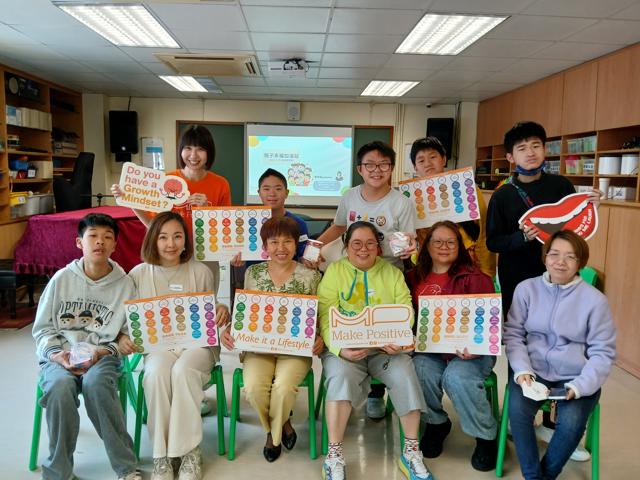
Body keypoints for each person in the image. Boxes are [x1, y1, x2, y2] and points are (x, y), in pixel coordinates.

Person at [485, 121, 601, 458]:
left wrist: (591, 204)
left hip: (560, 281)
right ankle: (520, 416)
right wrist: (523, 236)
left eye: (536, 145)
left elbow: (576, 227)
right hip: (519, 283)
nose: (530, 153)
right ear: (510, 157)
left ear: (544, 150)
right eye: (522, 148)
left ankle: (553, 424)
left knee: (561, 344)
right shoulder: (503, 195)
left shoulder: (561, 185)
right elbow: (493, 241)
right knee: (521, 343)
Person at [118, 212, 230, 480]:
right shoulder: (138, 274)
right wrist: (122, 336)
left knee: (183, 371)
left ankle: (189, 451)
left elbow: (208, 308)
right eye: (163, 237)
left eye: (177, 236)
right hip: (159, 347)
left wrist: (220, 308)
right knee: (156, 374)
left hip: (197, 346)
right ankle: (162, 455)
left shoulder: (200, 271)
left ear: (186, 240)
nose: (171, 244)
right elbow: (128, 318)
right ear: (153, 240)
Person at [312, 140, 418, 419]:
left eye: (383, 164)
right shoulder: (350, 196)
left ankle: (376, 393)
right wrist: (314, 247)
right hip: (352, 273)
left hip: (387, 275)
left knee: (381, 333)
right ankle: (353, 388)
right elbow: (339, 227)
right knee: (355, 326)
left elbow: (410, 238)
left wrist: (410, 248)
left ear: (391, 168)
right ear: (360, 169)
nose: (376, 170)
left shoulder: (401, 202)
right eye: (370, 164)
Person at [318, 221, 431, 480]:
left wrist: (398, 336)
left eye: (370, 243)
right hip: (347, 350)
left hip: (385, 351)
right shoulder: (335, 271)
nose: (363, 249)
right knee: (339, 376)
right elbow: (325, 315)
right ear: (346, 246)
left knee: (405, 373)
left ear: (379, 247)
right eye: (356, 243)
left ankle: (411, 452)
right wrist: (339, 349)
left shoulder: (391, 273)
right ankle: (334, 455)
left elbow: (406, 310)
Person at [32, 213, 141, 480]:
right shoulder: (61, 279)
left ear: (115, 245)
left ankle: (126, 467)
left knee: (96, 385)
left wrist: (104, 351)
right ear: (79, 242)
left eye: (107, 237)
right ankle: (58, 473)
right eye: (93, 236)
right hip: (61, 354)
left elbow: (128, 334)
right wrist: (57, 355)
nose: (99, 242)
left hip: (102, 356)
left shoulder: (126, 285)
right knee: (59, 387)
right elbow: (42, 329)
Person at [504, 230, 616, 480]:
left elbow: (603, 352)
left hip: (576, 376)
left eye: (570, 256)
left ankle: (544, 476)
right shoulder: (526, 289)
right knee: (518, 413)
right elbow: (513, 334)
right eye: (554, 254)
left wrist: (580, 386)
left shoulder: (595, 301)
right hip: (533, 371)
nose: (560, 262)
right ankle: (533, 476)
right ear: (545, 257)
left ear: (580, 262)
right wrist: (522, 371)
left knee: (572, 423)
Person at [221, 216, 322, 462]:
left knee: (284, 388)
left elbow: (318, 315)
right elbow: (245, 310)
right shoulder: (253, 272)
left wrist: (319, 336)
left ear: (296, 245)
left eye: (287, 241)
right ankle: (282, 424)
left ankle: (272, 438)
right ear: (265, 246)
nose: (281, 248)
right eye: (274, 242)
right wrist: (231, 328)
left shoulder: (310, 275)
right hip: (259, 348)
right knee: (253, 388)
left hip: (294, 349)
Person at [405, 221, 497, 471]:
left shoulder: (477, 278)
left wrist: (476, 348)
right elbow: (407, 318)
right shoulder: (413, 277)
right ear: (427, 246)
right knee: (417, 370)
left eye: (450, 242)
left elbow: (490, 324)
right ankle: (436, 423)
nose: (444, 247)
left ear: (460, 246)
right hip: (430, 348)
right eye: (437, 241)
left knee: (457, 377)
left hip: (471, 352)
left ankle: (486, 436)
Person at [112, 125, 231, 233]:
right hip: (172, 248)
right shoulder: (165, 181)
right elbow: (152, 225)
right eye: (188, 148)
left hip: (206, 249)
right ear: (181, 150)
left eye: (200, 149)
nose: (193, 155)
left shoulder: (221, 184)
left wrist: (206, 211)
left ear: (209, 152)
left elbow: (225, 228)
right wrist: (129, 200)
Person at [409, 137, 495, 277]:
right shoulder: (412, 197)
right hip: (430, 265)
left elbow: (483, 232)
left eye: (433, 157)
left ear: (444, 159)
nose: (428, 163)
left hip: (465, 262)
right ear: (415, 167)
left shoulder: (467, 188)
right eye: (421, 160)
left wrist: (486, 271)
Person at [230, 168, 309, 269]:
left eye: (278, 189)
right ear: (259, 192)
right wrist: (234, 257)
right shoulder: (245, 223)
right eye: (266, 189)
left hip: (289, 276)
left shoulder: (299, 224)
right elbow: (234, 252)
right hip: (256, 276)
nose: (272, 193)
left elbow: (302, 256)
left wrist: (308, 260)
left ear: (286, 193)